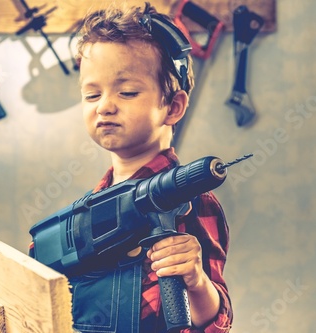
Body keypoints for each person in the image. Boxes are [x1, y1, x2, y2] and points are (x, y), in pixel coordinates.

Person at [68, 2, 233, 332]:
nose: (105, 106)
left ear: (172, 107)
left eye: (127, 92)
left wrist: (196, 281)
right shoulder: (89, 208)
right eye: (91, 95)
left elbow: (216, 324)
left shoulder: (187, 201)